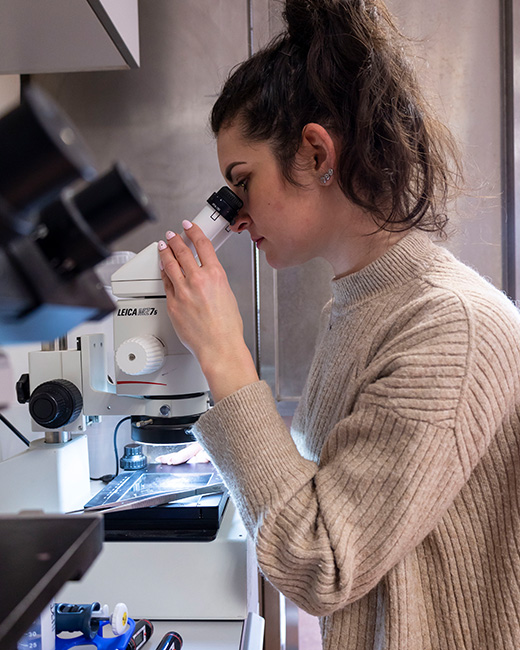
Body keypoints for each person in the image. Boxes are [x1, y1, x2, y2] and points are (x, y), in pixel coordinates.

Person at [156, 1, 520, 648]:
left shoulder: (450, 328)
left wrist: (222, 354)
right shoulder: (355, 307)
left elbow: (322, 561)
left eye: (243, 182)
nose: (234, 219)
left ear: (317, 153)